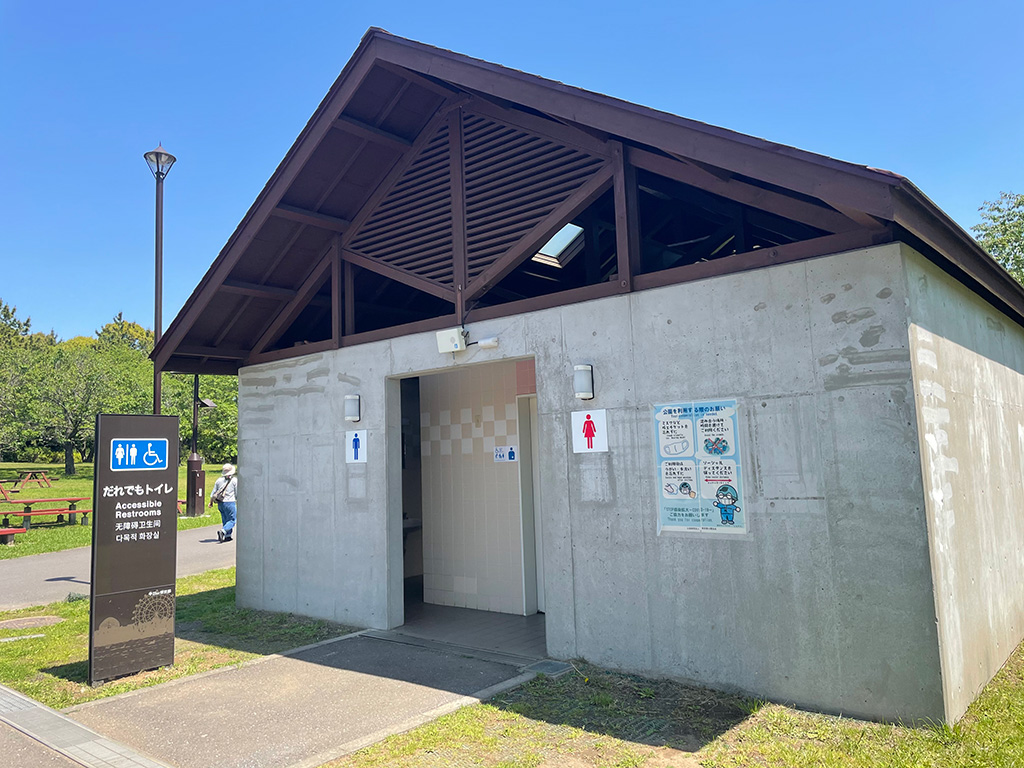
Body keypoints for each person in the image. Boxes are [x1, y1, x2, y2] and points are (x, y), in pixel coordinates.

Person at [209, 464, 238, 543]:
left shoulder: (219, 480)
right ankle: (223, 531)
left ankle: (228, 536)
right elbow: (237, 493)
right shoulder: (234, 480)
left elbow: (213, 493)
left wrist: (211, 502)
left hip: (220, 503)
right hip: (230, 502)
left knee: (225, 519)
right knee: (232, 520)